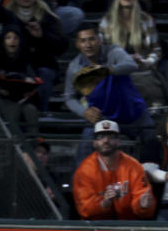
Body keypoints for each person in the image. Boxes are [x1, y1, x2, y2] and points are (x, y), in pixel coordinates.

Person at [63, 23, 150, 152]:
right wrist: (84, 112)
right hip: (102, 118)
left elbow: (131, 65)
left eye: (92, 39)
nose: (88, 45)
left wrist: (105, 71)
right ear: (77, 44)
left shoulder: (113, 51)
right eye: (83, 41)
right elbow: (69, 97)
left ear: (100, 40)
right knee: (84, 151)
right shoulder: (74, 67)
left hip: (134, 114)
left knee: (152, 148)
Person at [4, 0, 68, 112]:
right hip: (15, 65)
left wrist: (41, 36)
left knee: (44, 75)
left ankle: (41, 114)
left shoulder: (47, 16)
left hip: (44, 65)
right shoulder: (6, 16)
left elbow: (62, 46)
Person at [99, 0, 167, 107]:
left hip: (142, 70)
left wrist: (144, 62)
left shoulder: (146, 20)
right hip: (116, 71)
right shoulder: (106, 22)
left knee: (152, 92)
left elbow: (156, 50)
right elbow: (102, 53)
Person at [72, 119, 156, 220]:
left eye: (111, 137)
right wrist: (103, 204)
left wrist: (142, 205)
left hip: (127, 226)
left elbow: (142, 195)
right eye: (100, 137)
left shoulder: (133, 166)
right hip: (96, 226)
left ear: (119, 141)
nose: (106, 140)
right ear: (94, 143)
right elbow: (84, 208)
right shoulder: (85, 170)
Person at [0, 24, 41, 135]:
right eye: (8, 38)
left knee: (31, 110)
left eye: (15, 38)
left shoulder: (25, 59)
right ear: (3, 41)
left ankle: (33, 142)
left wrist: (30, 88)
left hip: (23, 98)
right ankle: (14, 143)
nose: (12, 41)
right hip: (5, 98)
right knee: (14, 110)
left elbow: (33, 79)